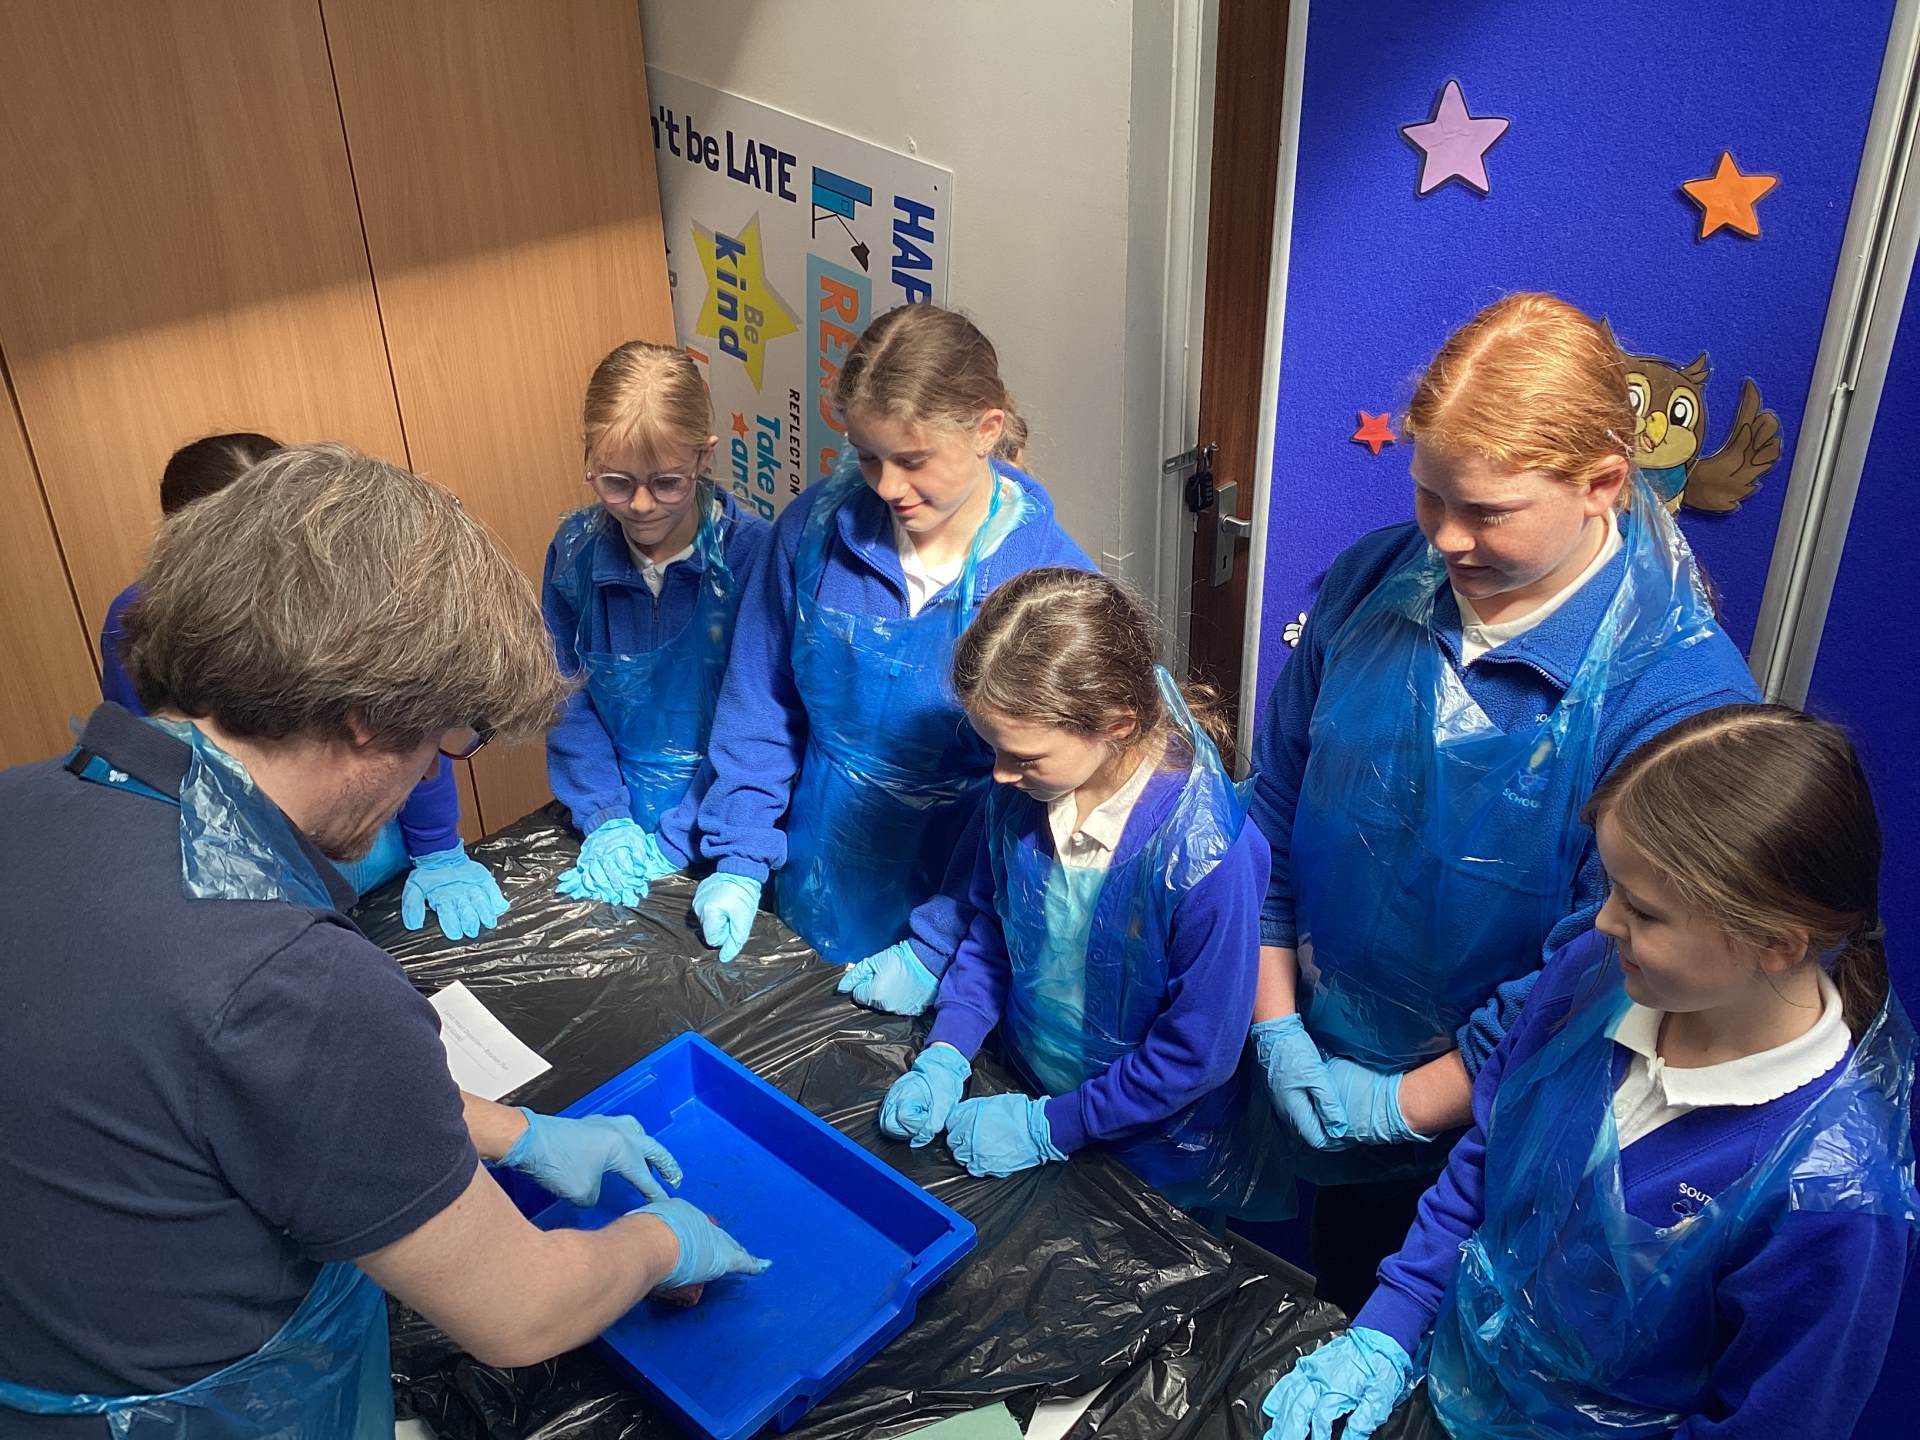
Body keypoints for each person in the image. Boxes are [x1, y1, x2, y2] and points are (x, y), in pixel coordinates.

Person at [0, 445, 767, 1438]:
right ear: (367, 720)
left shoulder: (25, 800)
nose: (428, 773)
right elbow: (522, 1311)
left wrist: (519, 1134)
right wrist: (660, 1243)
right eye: (444, 738)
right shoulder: (293, 979)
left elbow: (241, 1089)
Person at [1247, 293, 1761, 1309]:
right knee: (1339, 1294)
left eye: (1486, 512)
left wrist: (1408, 1103)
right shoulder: (1374, 584)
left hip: (1506, 1129)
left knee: (1452, 1336)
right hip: (1322, 1050)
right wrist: (1275, 1024)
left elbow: (1600, 965)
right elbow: (1277, 803)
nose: (1444, 538)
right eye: (1427, 494)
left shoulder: (1678, 706)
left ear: (1602, 483)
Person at [1260, 705, 1917, 1440]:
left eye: (1642, 910)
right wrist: (1393, 1319)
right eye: (1610, 888)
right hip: (1458, 1384)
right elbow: (1487, 1160)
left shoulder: (1831, 1197)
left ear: (1776, 944)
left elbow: (1773, 1421)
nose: (1603, 922)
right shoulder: (1591, 977)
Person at [690, 304, 1091, 986]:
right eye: (867, 457)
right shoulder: (813, 532)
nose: (887, 487)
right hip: (814, 867)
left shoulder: (1048, 586)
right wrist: (740, 854)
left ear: (986, 429)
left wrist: (939, 947)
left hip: (967, 915)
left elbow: (1046, 800)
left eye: (912, 460)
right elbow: (760, 701)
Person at [875, 569, 1284, 1215]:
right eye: (993, 750)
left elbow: (1194, 1053)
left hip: (1151, 1147)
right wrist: (949, 1049)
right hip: (1021, 1085)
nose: (999, 774)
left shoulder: (1208, 859)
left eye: (1023, 756)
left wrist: (1055, 1126)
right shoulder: (1026, 795)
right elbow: (994, 932)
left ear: (1117, 724)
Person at [100, 432, 506, 942]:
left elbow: (416, 733)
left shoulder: (348, 593)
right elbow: (158, 770)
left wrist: (438, 848)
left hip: (371, 831)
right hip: (248, 862)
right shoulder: (138, 619)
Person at [542, 342, 771, 907]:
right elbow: (562, 694)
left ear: (703, 457)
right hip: (610, 821)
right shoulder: (575, 556)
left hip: (732, 826)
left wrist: (694, 835)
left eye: (668, 482)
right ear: (588, 457)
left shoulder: (754, 559)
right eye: (616, 483)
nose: (641, 505)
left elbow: (760, 719)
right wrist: (604, 816)